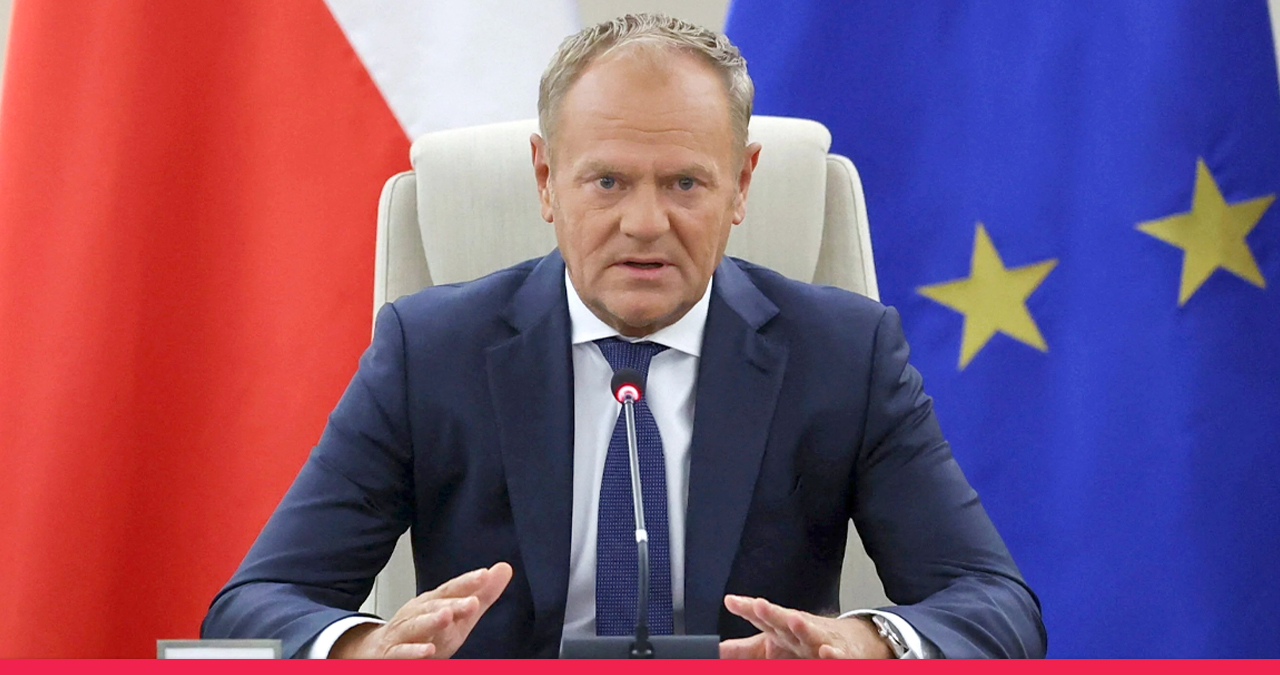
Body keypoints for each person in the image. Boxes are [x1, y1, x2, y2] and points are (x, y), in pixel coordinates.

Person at [202, 13, 1046, 659]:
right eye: (607, 181)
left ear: (742, 184)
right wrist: (363, 647)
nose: (645, 223)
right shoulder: (430, 352)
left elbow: (997, 604)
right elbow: (250, 608)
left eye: (685, 183)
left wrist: (870, 641)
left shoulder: (844, 354)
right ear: (546, 179)